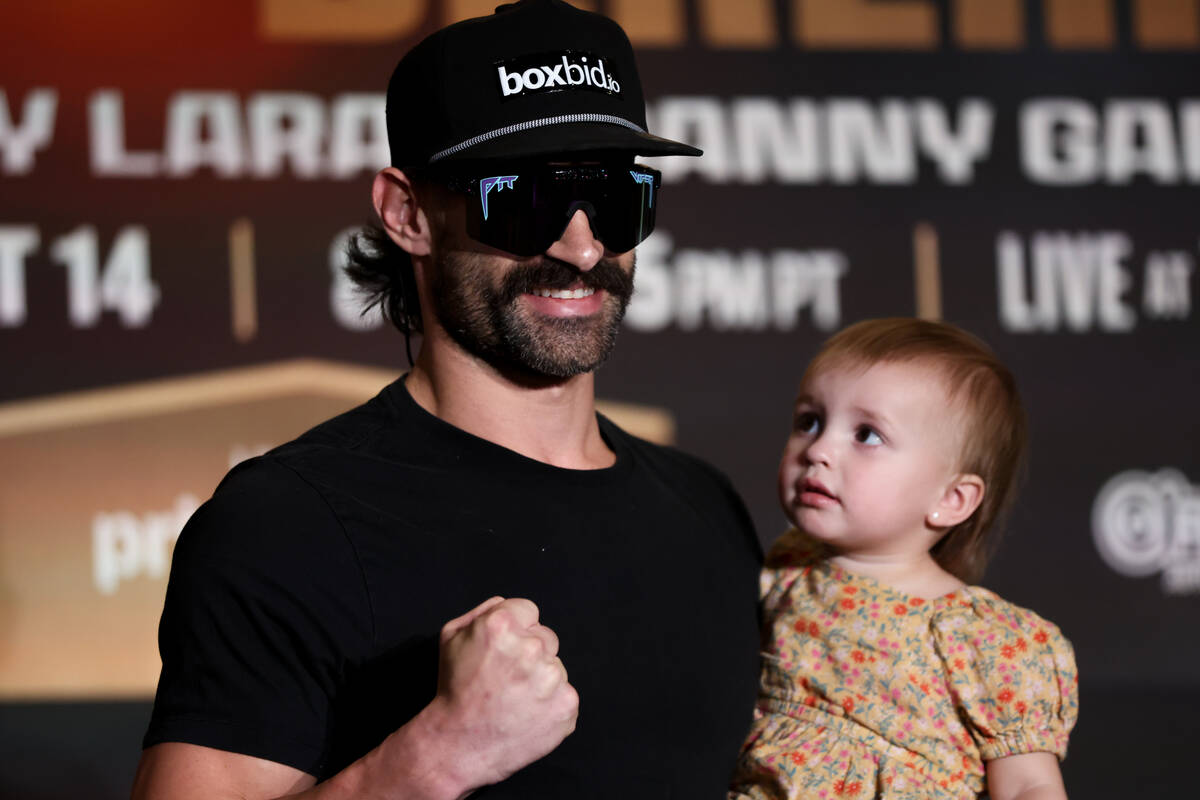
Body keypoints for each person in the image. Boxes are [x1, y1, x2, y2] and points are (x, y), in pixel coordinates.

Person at [131, 1, 762, 798]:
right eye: (526, 197)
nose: (580, 245)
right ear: (407, 214)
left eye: (612, 196)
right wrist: (432, 759)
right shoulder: (286, 523)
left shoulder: (707, 508)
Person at [729, 318, 1079, 800]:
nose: (820, 450)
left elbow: (1028, 786)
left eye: (867, 435)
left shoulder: (992, 641)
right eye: (809, 421)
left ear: (952, 498)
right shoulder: (788, 570)